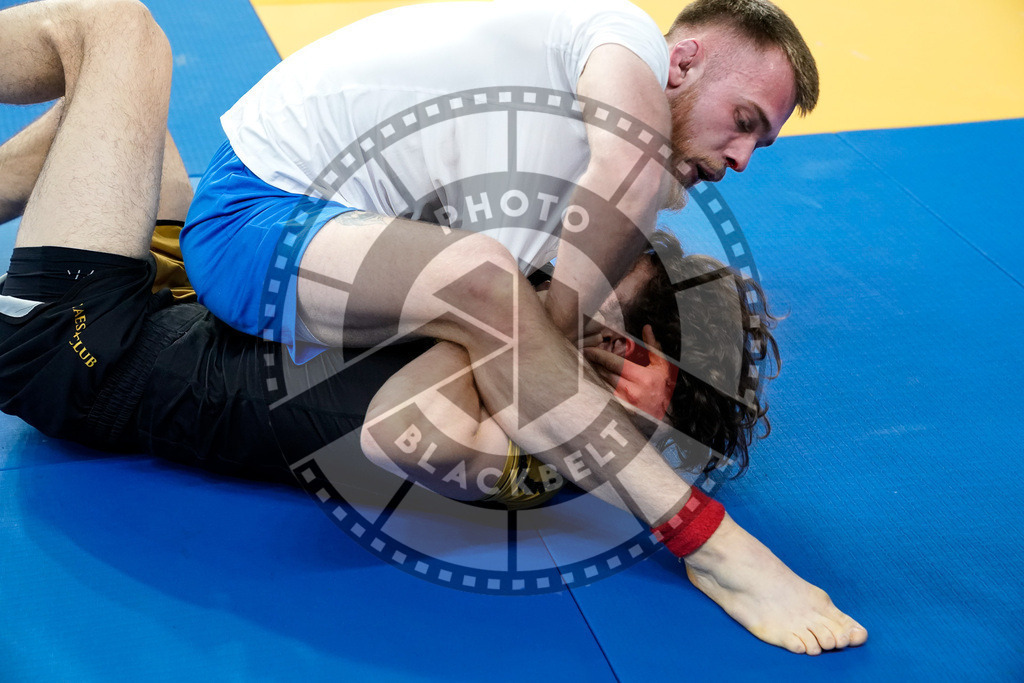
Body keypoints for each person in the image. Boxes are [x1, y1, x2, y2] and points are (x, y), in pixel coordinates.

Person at [0, 0, 865, 655]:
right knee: (129, 100)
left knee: (120, 36)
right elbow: (618, 175)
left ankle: (711, 544)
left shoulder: (510, 376)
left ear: (628, 359)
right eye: (745, 122)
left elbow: (415, 433)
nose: (743, 161)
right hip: (179, 279)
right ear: (681, 61)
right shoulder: (618, 53)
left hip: (79, 346)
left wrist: (593, 397)